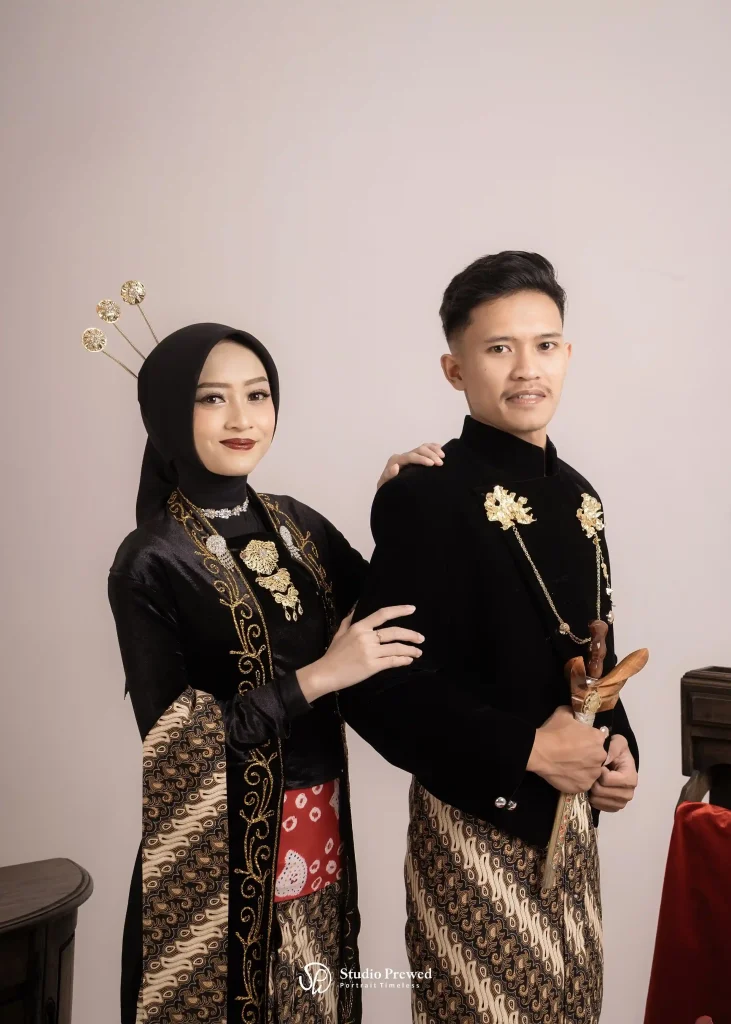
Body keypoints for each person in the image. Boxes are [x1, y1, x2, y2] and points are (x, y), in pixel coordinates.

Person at [107, 322, 442, 1024]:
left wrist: (400, 506)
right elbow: (177, 745)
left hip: (319, 839)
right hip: (218, 860)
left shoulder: (298, 525)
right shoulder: (150, 560)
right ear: (167, 413)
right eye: (211, 398)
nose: (241, 418)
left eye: (257, 395)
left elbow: (395, 611)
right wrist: (319, 677)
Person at [339, 252, 640, 1024]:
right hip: (475, 829)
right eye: (499, 348)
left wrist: (616, 747)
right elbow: (375, 685)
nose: (526, 368)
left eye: (544, 345)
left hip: (573, 834)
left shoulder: (579, 495)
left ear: (567, 354)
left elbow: (592, 654)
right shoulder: (427, 493)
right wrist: (527, 749)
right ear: (454, 369)